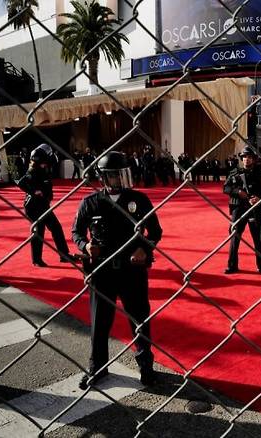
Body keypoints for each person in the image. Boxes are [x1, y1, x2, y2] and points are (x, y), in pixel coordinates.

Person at [72, 151, 162, 390]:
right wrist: (86, 245)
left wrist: (144, 248)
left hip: (132, 271)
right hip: (101, 272)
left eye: (123, 174)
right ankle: (97, 368)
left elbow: (155, 232)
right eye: (114, 176)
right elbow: (76, 233)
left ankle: (146, 366)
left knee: (139, 319)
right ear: (103, 177)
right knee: (100, 322)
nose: (120, 180)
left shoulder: (139, 200)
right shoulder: (90, 202)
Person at [16, 144, 72, 267]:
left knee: (56, 228)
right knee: (38, 232)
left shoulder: (43, 169)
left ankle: (64, 254)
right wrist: (34, 191)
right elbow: (21, 183)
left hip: (43, 206)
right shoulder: (33, 170)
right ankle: (36, 259)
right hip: (34, 207)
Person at [223, 146, 261, 274]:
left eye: (249, 157)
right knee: (235, 238)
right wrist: (238, 192)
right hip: (238, 209)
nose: (246, 160)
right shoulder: (235, 173)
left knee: (260, 239)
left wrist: (259, 198)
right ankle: (232, 265)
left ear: (254, 159)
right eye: (244, 157)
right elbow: (226, 188)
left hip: (256, 209)